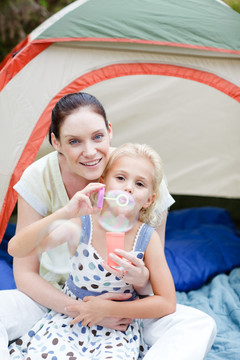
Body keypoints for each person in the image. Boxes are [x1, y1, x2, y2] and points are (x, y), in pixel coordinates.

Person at [0, 92, 216, 359]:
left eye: (97, 136)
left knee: (200, 324)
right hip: (51, 299)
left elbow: (158, 288)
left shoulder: (142, 169)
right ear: (56, 142)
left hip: (125, 311)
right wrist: (83, 310)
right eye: (74, 141)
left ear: (109, 131)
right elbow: (23, 267)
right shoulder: (48, 188)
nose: (90, 151)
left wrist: (137, 287)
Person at [8, 143, 177, 359]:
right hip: (70, 321)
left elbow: (167, 302)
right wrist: (66, 212)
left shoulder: (146, 238)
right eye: (121, 178)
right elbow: (17, 249)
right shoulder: (82, 224)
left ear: (149, 200)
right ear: (102, 184)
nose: (128, 188)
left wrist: (108, 310)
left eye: (140, 183)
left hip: (117, 328)